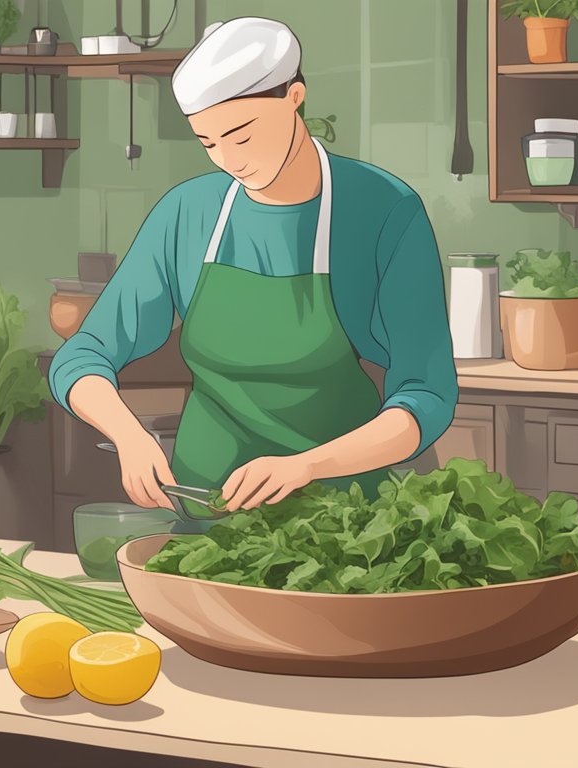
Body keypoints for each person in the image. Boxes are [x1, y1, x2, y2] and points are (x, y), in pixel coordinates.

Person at [50, 17, 457, 515]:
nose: (229, 160)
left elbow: (426, 395)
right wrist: (129, 435)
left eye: (242, 136)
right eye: (209, 143)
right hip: (206, 511)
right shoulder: (188, 213)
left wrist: (305, 466)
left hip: (346, 521)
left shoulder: (383, 210)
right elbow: (83, 356)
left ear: (294, 98)